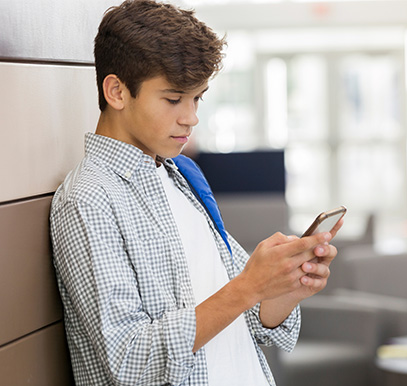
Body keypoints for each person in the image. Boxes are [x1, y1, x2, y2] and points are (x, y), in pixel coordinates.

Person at [49, 1, 341, 385]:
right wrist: (248, 285)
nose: (191, 117)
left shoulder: (182, 177)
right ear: (117, 91)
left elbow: (251, 319)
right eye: (173, 99)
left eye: (197, 98)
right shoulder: (87, 200)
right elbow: (127, 360)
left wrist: (285, 286)